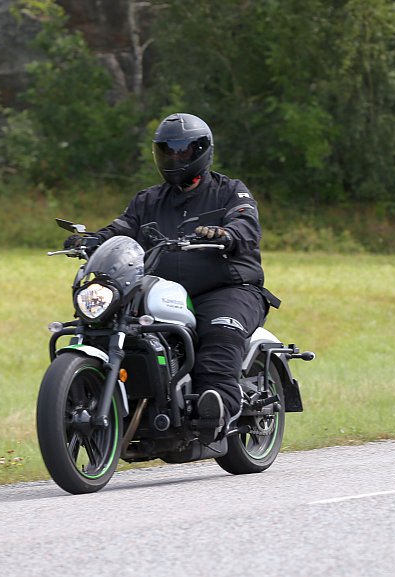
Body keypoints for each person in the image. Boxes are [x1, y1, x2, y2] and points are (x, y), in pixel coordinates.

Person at [64, 112, 275, 443]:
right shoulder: (147, 200)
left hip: (227, 288)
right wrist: (91, 240)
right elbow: (122, 229)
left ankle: (217, 405)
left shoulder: (230, 191)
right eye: (167, 150)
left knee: (218, 336)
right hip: (162, 291)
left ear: (201, 151)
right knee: (110, 326)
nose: (175, 157)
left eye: (184, 150)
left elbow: (245, 223)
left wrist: (225, 233)